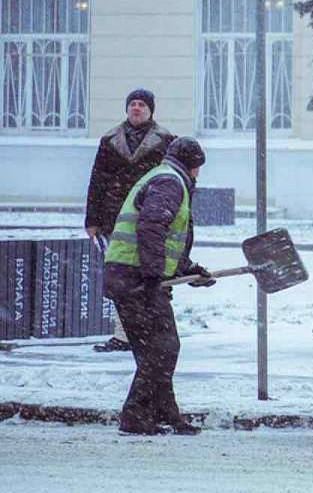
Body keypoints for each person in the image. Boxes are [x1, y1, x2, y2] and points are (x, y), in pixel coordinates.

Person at [103, 136, 215, 436]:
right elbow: (151, 227)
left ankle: (165, 415)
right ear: (193, 166)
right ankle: (135, 416)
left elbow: (163, 240)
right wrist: (154, 278)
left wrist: (188, 270)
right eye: (198, 168)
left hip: (130, 275)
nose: (198, 175)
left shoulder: (163, 177)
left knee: (155, 352)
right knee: (163, 349)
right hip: (135, 278)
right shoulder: (170, 182)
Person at [85, 89, 175, 352]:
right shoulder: (110, 140)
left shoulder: (166, 140)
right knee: (121, 278)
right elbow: (97, 181)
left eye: (142, 105)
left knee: (152, 274)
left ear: (150, 110)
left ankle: (150, 331)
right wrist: (92, 218)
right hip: (116, 219)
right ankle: (124, 334)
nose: (136, 108)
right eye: (132, 104)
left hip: (152, 217)